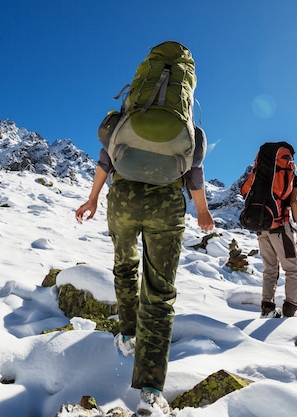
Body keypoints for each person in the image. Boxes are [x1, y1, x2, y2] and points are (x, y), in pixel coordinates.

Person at [75, 126, 214, 415]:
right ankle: (150, 393)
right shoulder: (189, 130)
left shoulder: (129, 119)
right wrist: (201, 210)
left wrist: (93, 199)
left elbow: (106, 159)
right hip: (166, 203)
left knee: (125, 268)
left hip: (123, 199)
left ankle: (128, 336)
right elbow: (194, 172)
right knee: (159, 291)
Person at [259, 174, 297, 318]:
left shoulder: (260, 174)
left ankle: (267, 308)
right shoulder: (289, 174)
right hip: (280, 226)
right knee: (292, 269)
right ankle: (290, 311)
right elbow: (294, 202)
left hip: (261, 227)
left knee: (270, 269)